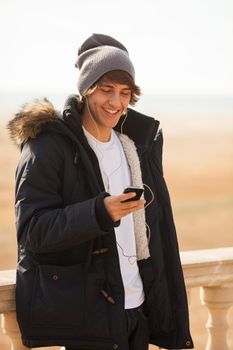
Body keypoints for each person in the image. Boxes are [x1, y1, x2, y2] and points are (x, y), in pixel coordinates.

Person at [8, 33, 193, 350]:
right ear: (86, 90)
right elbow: (32, 230)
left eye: (124, 93)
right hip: (90, 317)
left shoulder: (134, 147)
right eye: (106, 90)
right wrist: (99, 212)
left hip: (137, 309)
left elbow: (156, 232)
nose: (116, 102)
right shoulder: (49, 146)